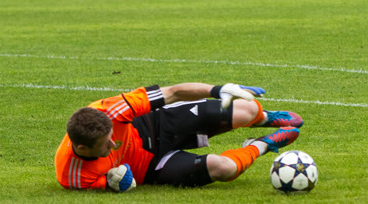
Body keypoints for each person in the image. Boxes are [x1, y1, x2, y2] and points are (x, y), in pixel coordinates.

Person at [55, 82, 303, 191]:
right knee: (224, 168)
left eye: (112, 136)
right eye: (105, 145)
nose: (113, 143)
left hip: (156, 124)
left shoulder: (112, 110)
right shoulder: (72, 175)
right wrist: (117, 183)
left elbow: (173, 92)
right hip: (151, 168)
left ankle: (261, 118)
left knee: (246, 108)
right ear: (82, 148)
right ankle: (261, 145)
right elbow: (109, 184)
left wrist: (219, 90)